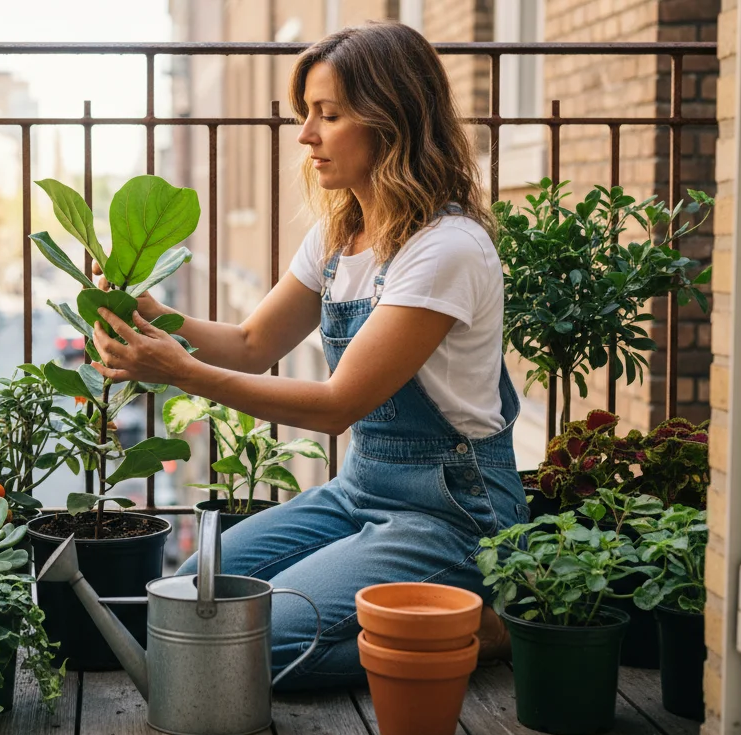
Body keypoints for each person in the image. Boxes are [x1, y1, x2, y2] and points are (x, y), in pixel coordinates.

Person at [86, 21, 526, 691]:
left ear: (392, 120)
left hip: (452, 512)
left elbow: (336, 406)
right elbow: (252, 343)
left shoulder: (446, 249)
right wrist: (150, 315)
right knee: (187, 592)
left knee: (250, 649)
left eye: (329, 114)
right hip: (360, 492)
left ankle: (482, 629)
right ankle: (424, 622)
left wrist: (177, 370)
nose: (306, 135)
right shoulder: (339, 232)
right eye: (307, 114)